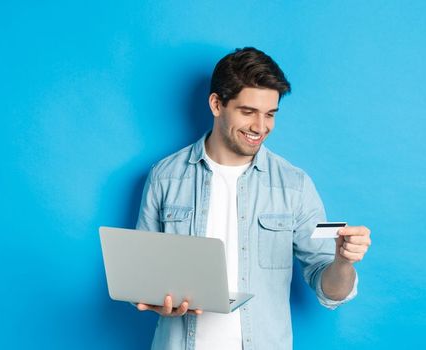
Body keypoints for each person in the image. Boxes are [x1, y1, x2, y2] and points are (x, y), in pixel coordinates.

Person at [134, 47, 372, 350]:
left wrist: (342, 262)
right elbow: (142, 277)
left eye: (270, 114)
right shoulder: (164, 176)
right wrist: (155, 300)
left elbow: (331, 291)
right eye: (248, 112)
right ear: (217, 104)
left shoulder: (294, 185)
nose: (260, 127)